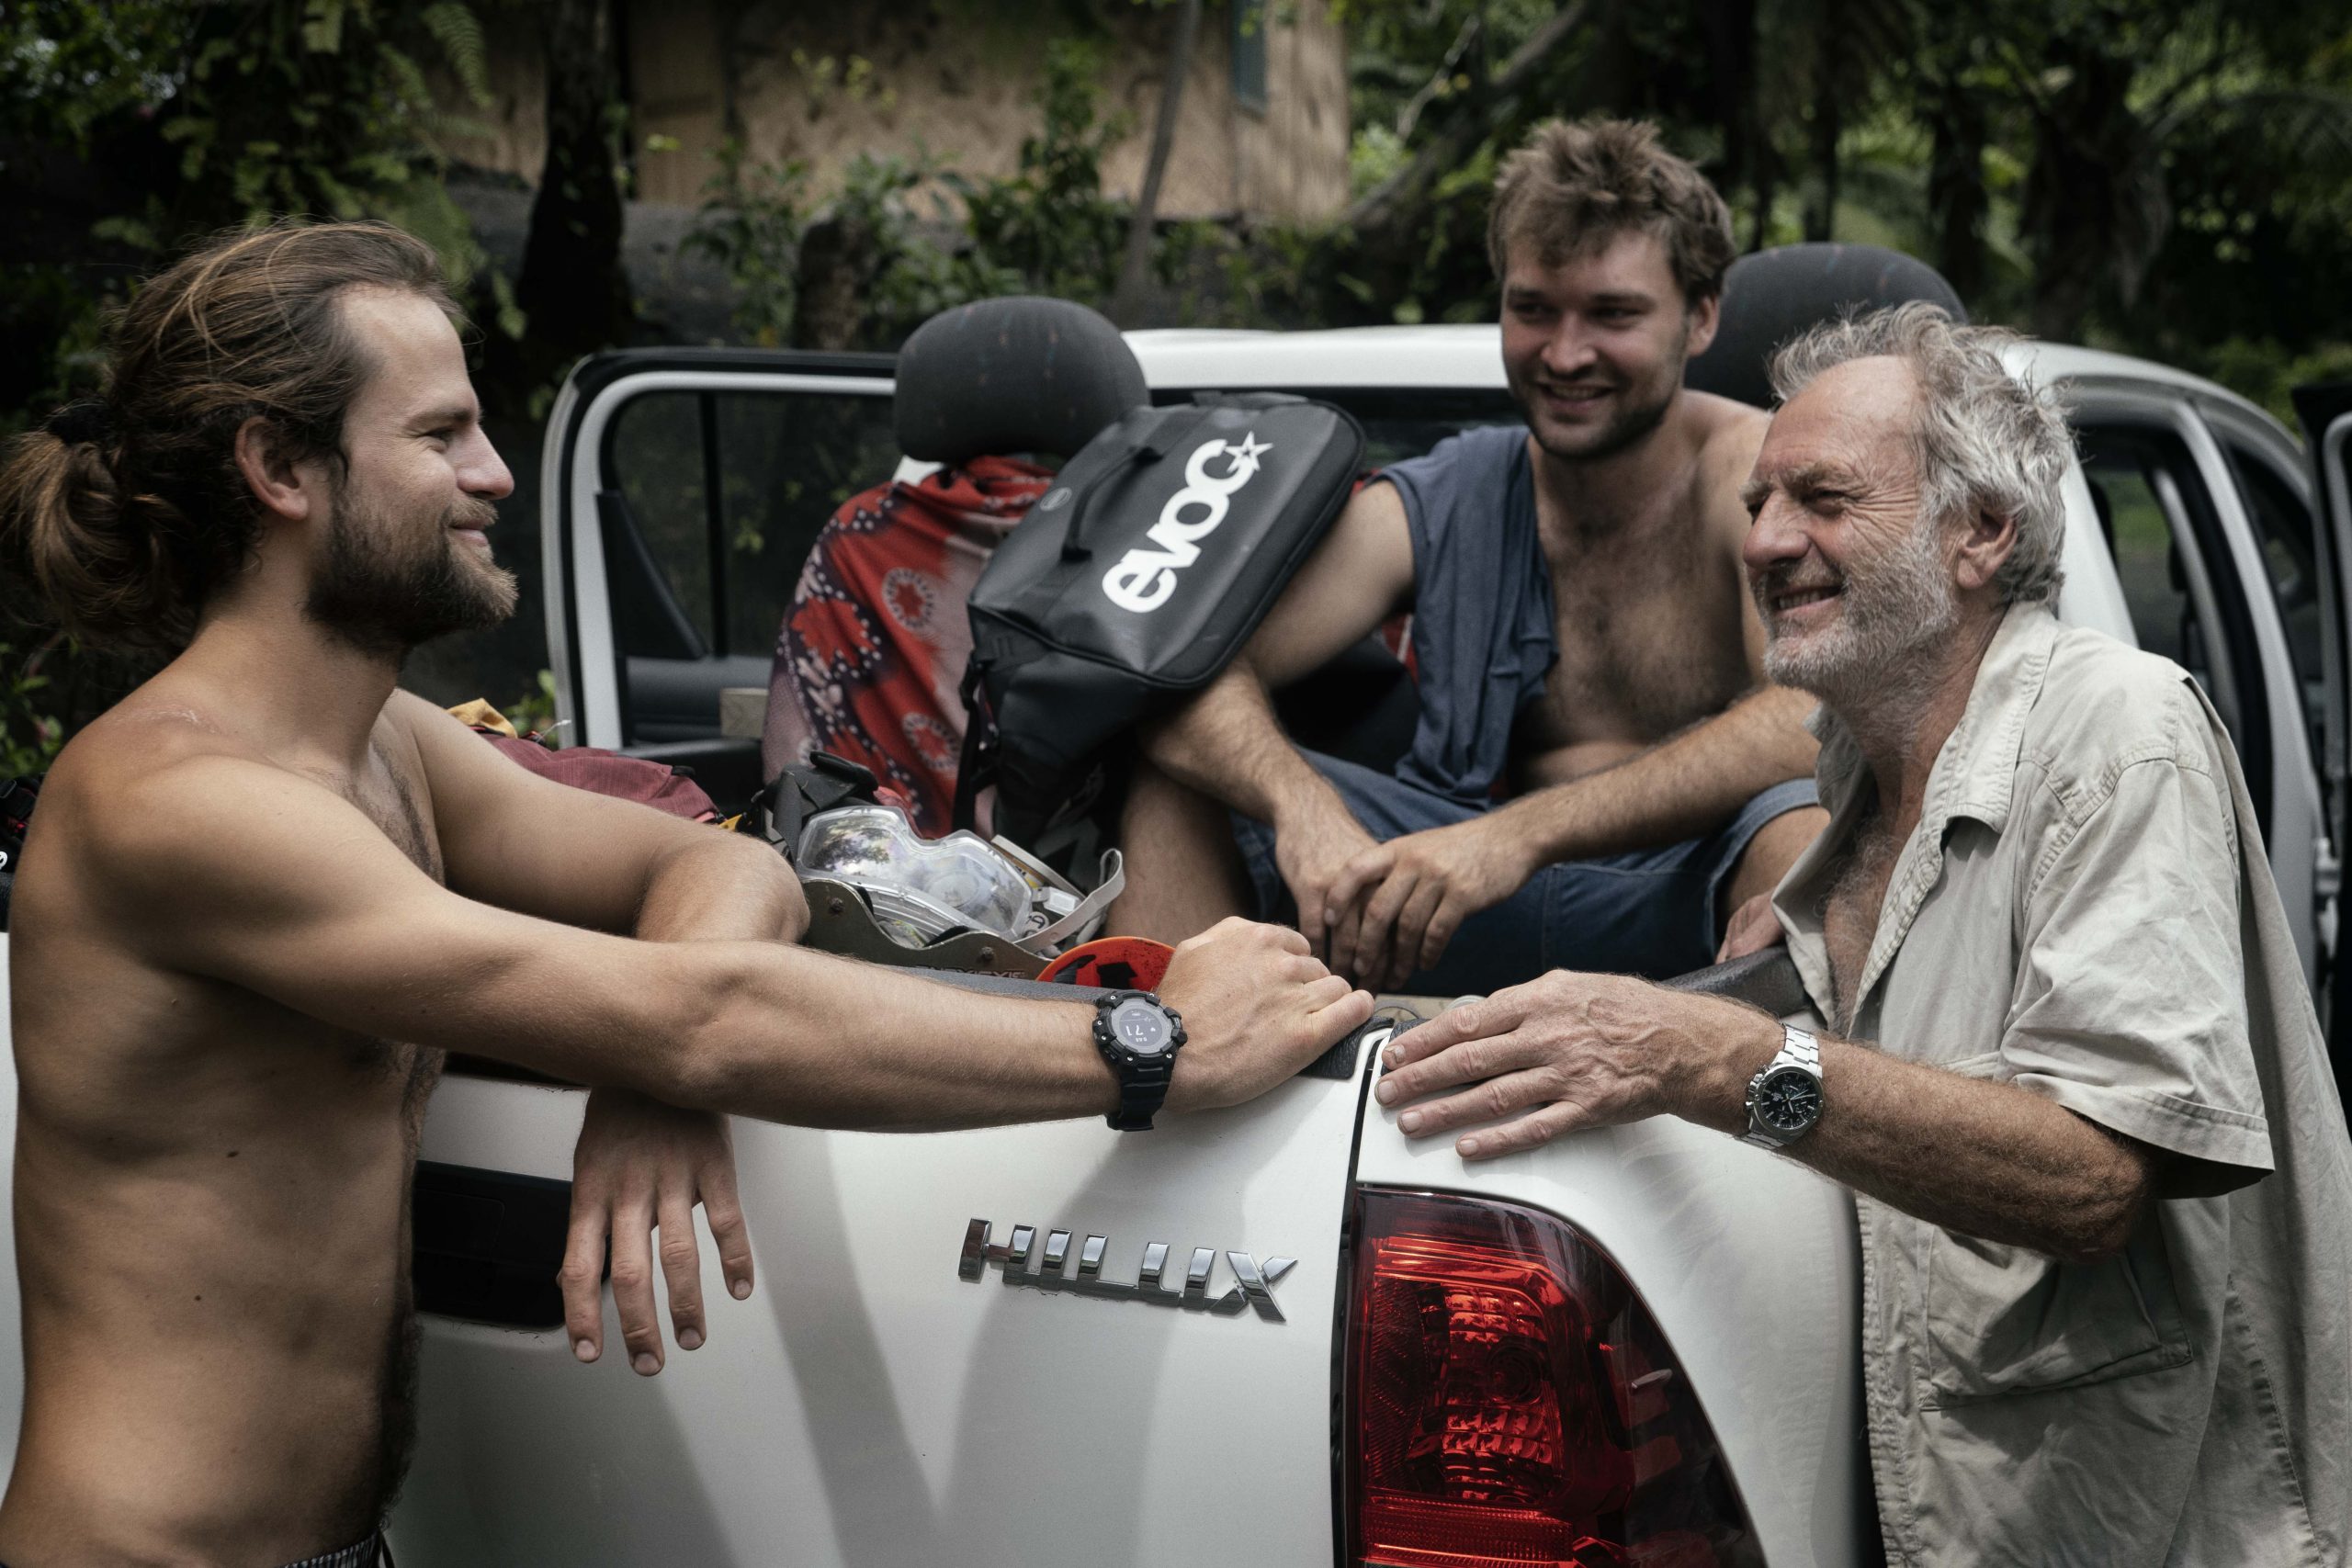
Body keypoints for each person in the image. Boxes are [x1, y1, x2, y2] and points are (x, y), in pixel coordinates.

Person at [0, 220, 1372, 1567]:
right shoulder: (175, 804)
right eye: (438, 436)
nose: (492, 475)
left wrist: (656, 1066)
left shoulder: (386, 744)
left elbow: (718, 859)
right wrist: (1152, 1043)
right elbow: (702, 1010)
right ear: (278, 467)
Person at [1374, 304, 2352, 1564]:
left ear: (1982, 533)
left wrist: (1721, 1053)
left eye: (1825, 499)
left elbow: (2097, 1173)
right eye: (1761, 501)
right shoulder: (1858, 771)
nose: (1770, 539)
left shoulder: (2117, 729)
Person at [1108, 117, 1827, 993]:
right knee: (1180, 777)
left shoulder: (1754, 475)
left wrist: (1514, 837)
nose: (1565, 353)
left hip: (1687, 894)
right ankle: (1155, 1066)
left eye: (1613, 313)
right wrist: (1303, 810)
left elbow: (1811, 716)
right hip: (1445, 899)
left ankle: (1764, 1106)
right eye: (1533, 310)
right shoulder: (1451, 492)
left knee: (1800, 829)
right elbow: (1177, 670)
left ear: (1701, 316)